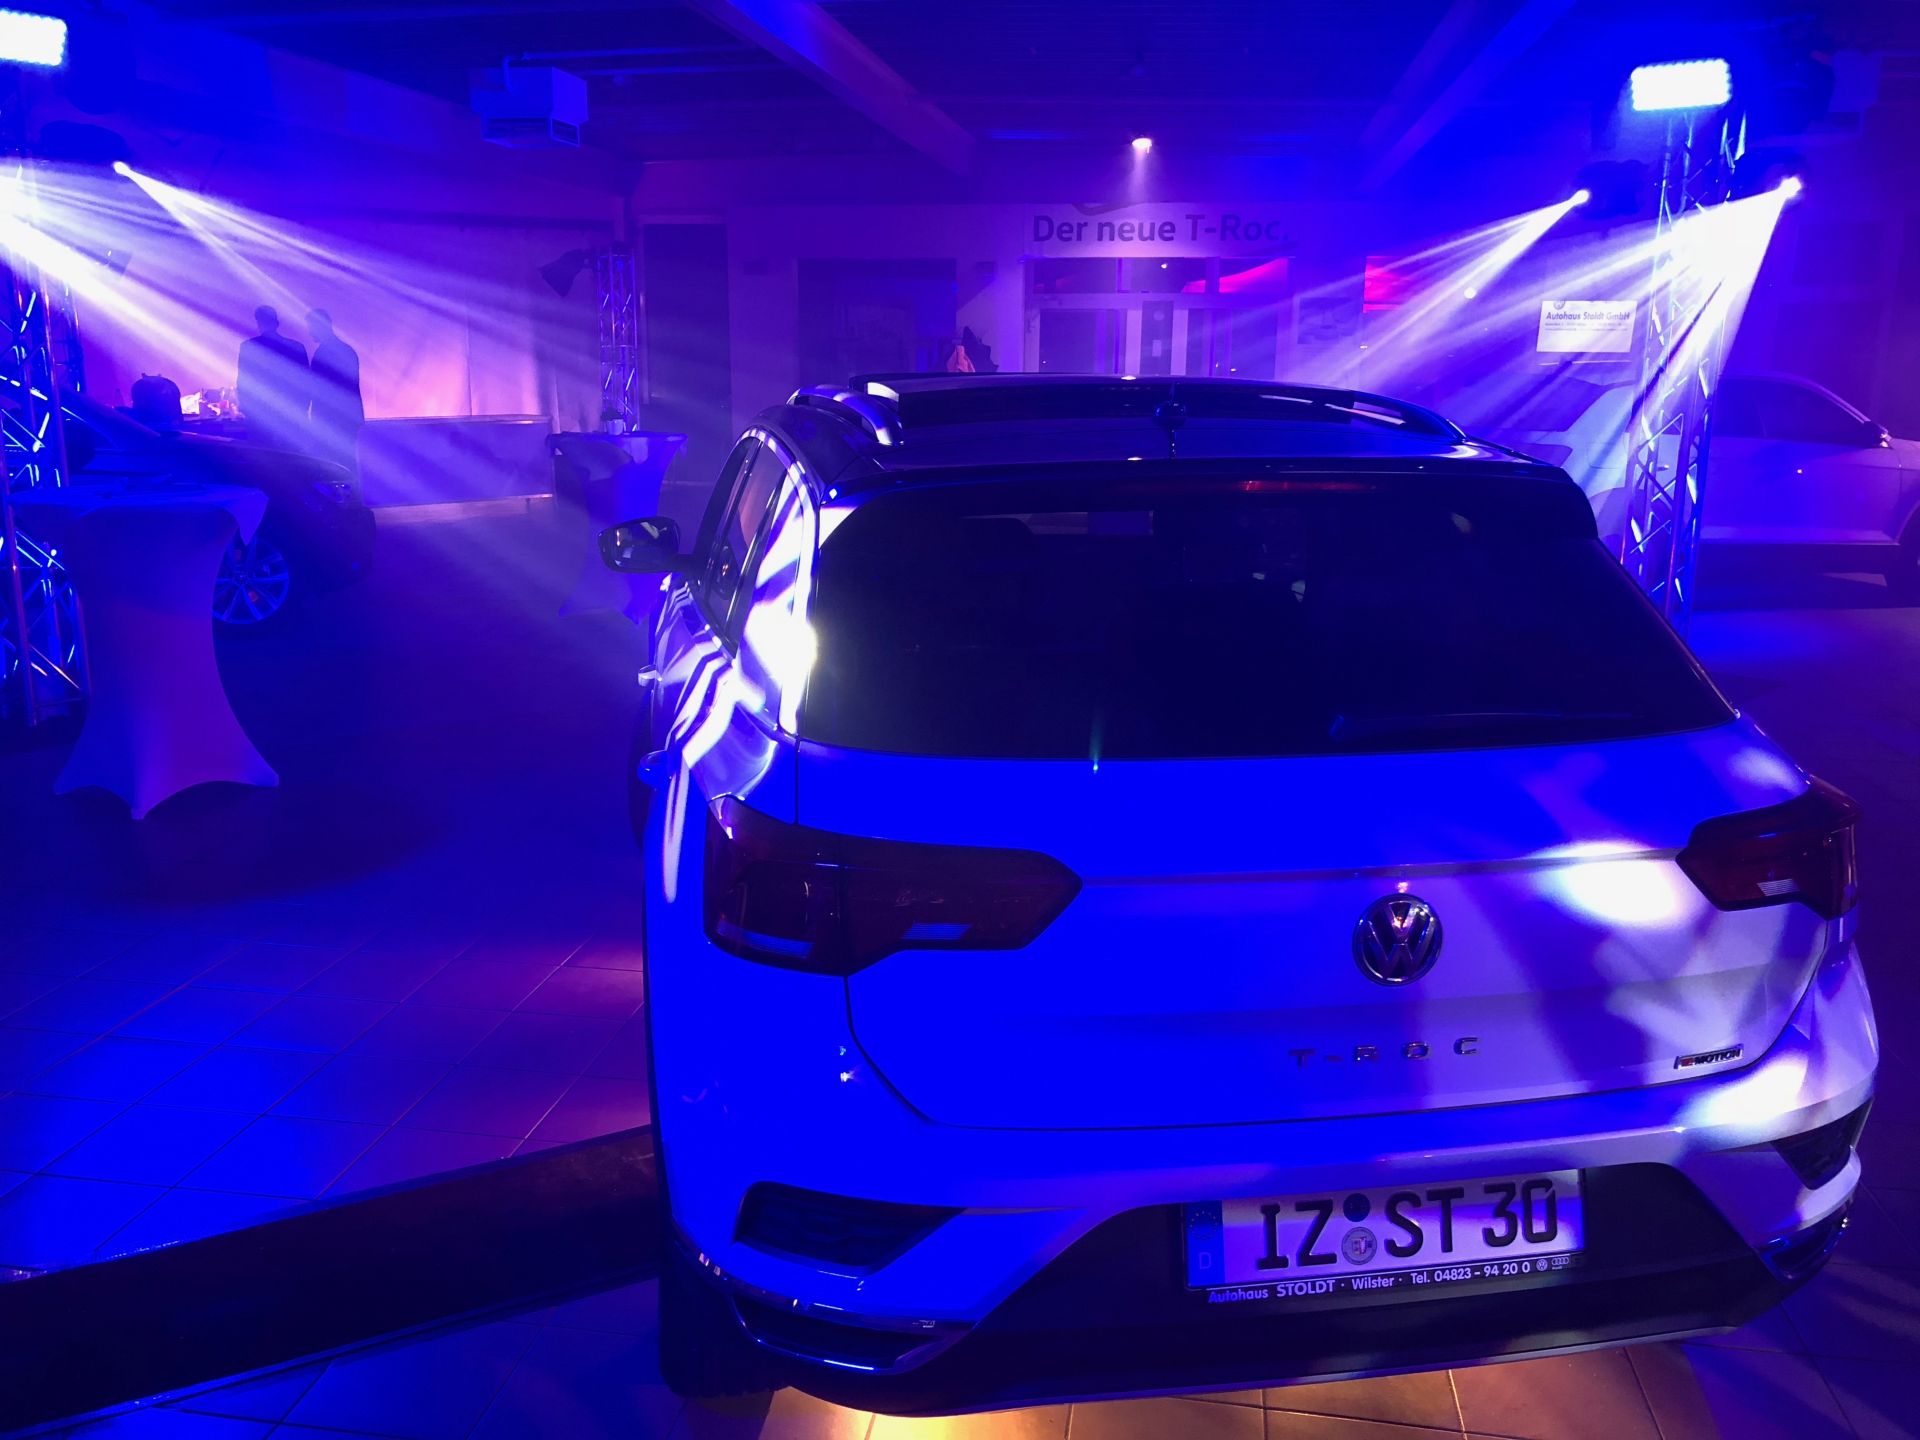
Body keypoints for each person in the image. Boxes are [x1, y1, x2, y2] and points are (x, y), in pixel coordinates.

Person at [235, 305, 309, 450]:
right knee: (290, 455)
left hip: (260, 413)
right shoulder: (296, 347)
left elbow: (243, 381)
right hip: (291, 413)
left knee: (263, 455)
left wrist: (245, 408)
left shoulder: (249, 347)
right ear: (277, 323)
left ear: (258, 323)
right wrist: (303, 410)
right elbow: (306, 383)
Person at [305, 308, 364, 473]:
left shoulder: (323, 353)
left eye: (311, 327)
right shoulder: (347, 350)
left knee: (331, 465)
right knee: (348, 464)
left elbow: (317, 387)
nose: (309, 332)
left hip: (329, 419)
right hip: (349, 416)